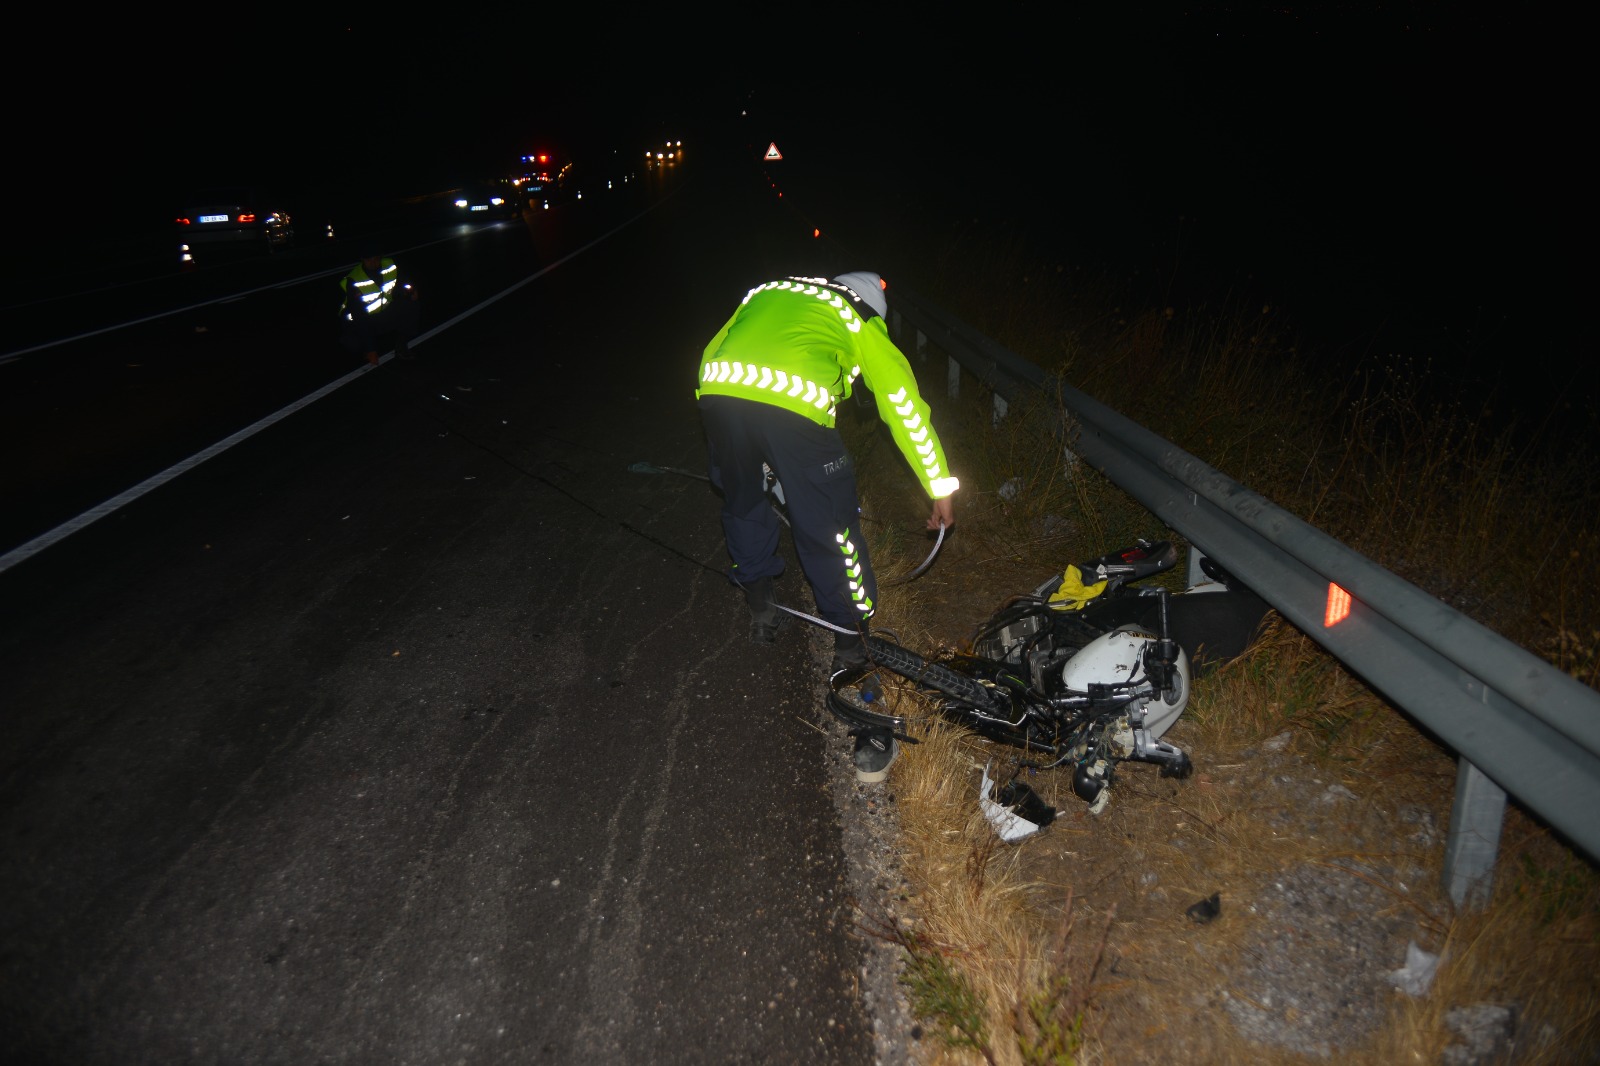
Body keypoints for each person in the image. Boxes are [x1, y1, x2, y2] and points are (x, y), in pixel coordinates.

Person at [696, 272, 958, 782]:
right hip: (791, 406)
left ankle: (761, 606)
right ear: (872, 304)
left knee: (745, 500)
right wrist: (939, 483)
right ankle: (850, 636)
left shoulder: (770, 289)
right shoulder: (858, 316)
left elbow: (714, 347)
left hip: (719, 392)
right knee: (830, 526)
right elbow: (902, 405)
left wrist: (728, 424)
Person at [338, 246, 420, 366]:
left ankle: (401, 346)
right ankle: (367, 349)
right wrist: (371, 349)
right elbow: (359, 316)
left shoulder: (389, 265)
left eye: (376, 259)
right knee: (352, 343)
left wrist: (411, 289)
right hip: (358, 320)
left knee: (411, 305)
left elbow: (403, 279)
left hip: (382, 313)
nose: (373, 262)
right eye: (368, 260)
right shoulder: (354, 280)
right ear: (362, 260)